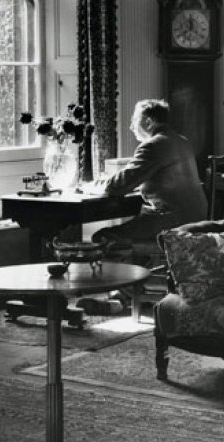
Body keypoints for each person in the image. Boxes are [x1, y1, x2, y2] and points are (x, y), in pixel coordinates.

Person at [81, 98, 207, 313]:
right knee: (135, 231)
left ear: (148, 121)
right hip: (196, 217)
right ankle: (125, 297)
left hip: (172, 221)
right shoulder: (180, 140)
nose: (131, 126)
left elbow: (117, 186)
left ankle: (118, 298)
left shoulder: (153, 145)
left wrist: (88, 186)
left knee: (105, 238)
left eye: (134, 120)